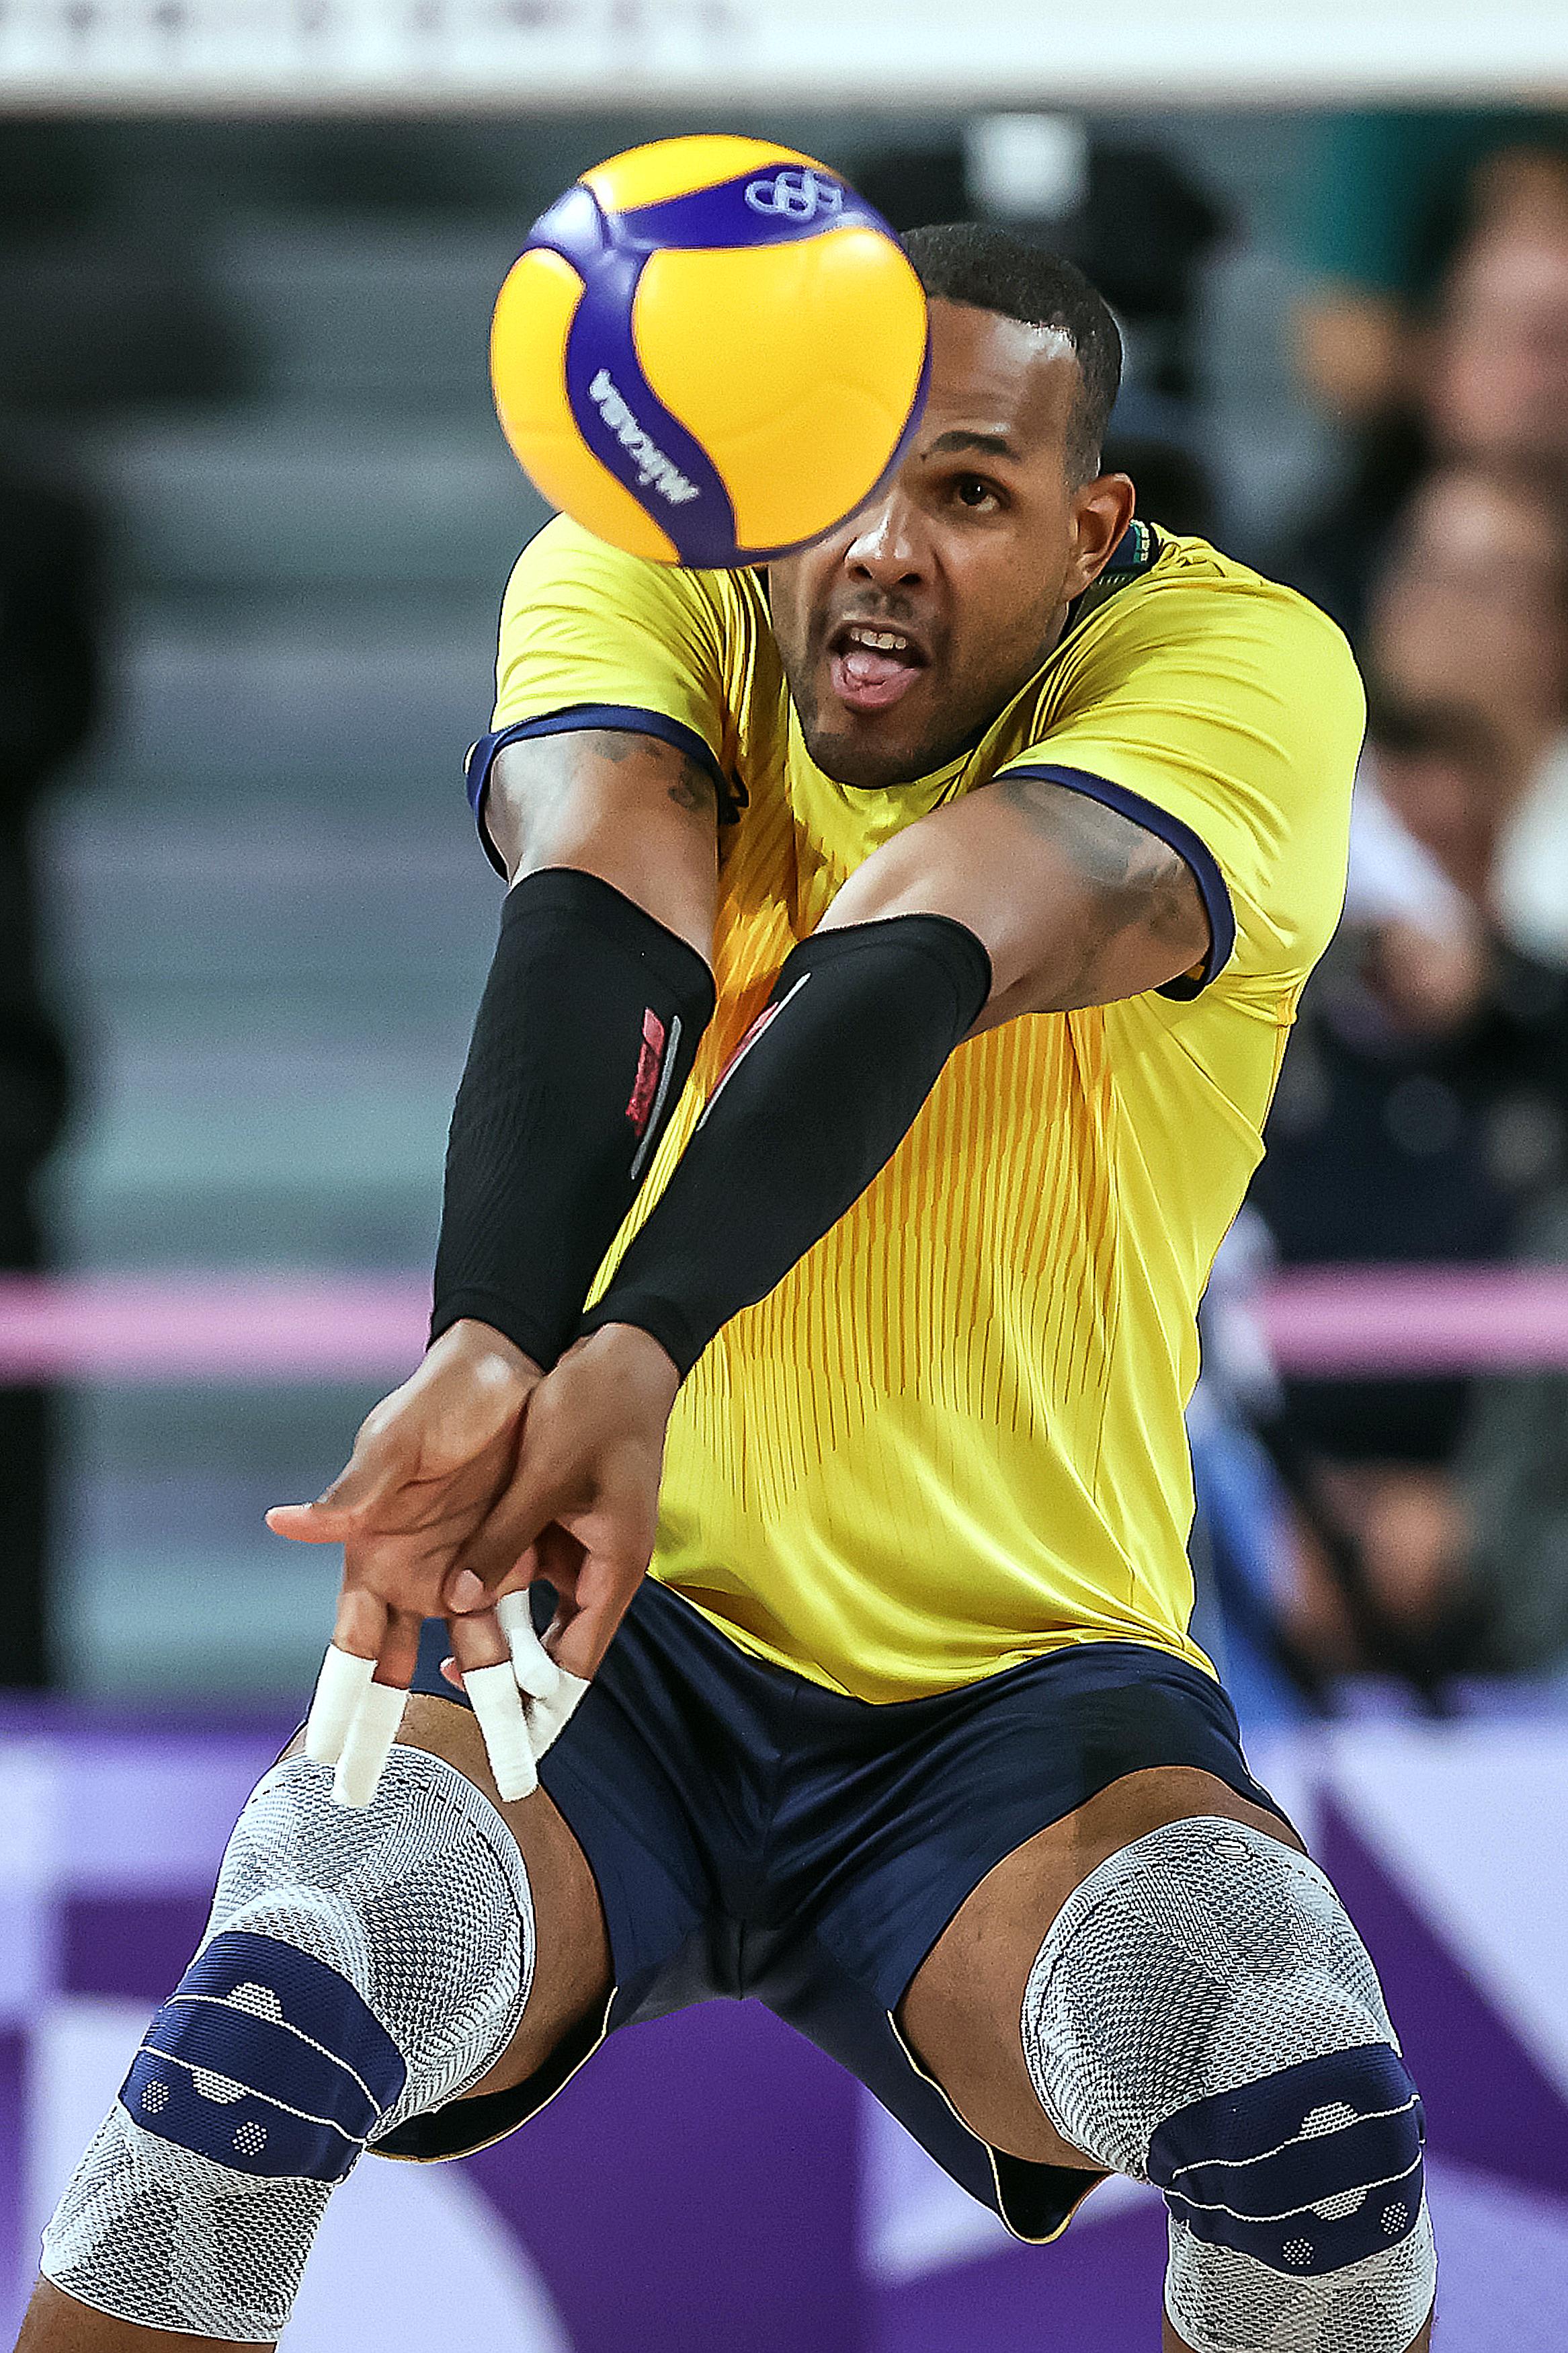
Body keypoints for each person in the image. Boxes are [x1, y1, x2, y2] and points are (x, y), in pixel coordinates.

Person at [19, 225, 1435, 2353]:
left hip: (1018, 1687)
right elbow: (607, 901)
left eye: (967, 492)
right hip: (605, 1649)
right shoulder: (650, 558)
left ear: (1092, 529)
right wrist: (497, 1335)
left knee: (1297, 2084)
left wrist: (636, 1340)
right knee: (290, 1982)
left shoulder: (1244, 672)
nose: (879, 549)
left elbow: (920, 952)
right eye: (840, 476)